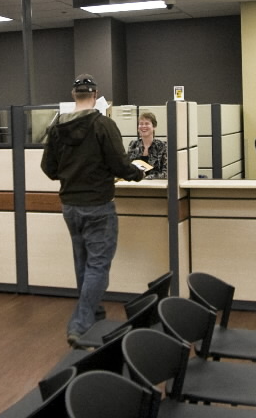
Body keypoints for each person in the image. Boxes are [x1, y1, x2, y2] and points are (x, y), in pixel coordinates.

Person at [41, 75, 144, 346]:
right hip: (98, 204)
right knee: (98, 265)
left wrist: (71, 174)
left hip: (70, 206)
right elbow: (120, 164)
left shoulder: (56, 127)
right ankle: (80, 323)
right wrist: (138, 173)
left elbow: (48, 168)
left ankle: (95, 314)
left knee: (83, 263)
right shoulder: (102, 124)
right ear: (96, 94)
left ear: (74, 94)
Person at [127, 111, 166, 179]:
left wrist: (146, 177)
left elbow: (166, 173)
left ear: (154, 127)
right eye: (141, 124)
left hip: (156, 186)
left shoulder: (162, 146)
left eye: (147, 123)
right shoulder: (133, 144)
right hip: (135, 185)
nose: (143, 126)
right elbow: (128, 168)